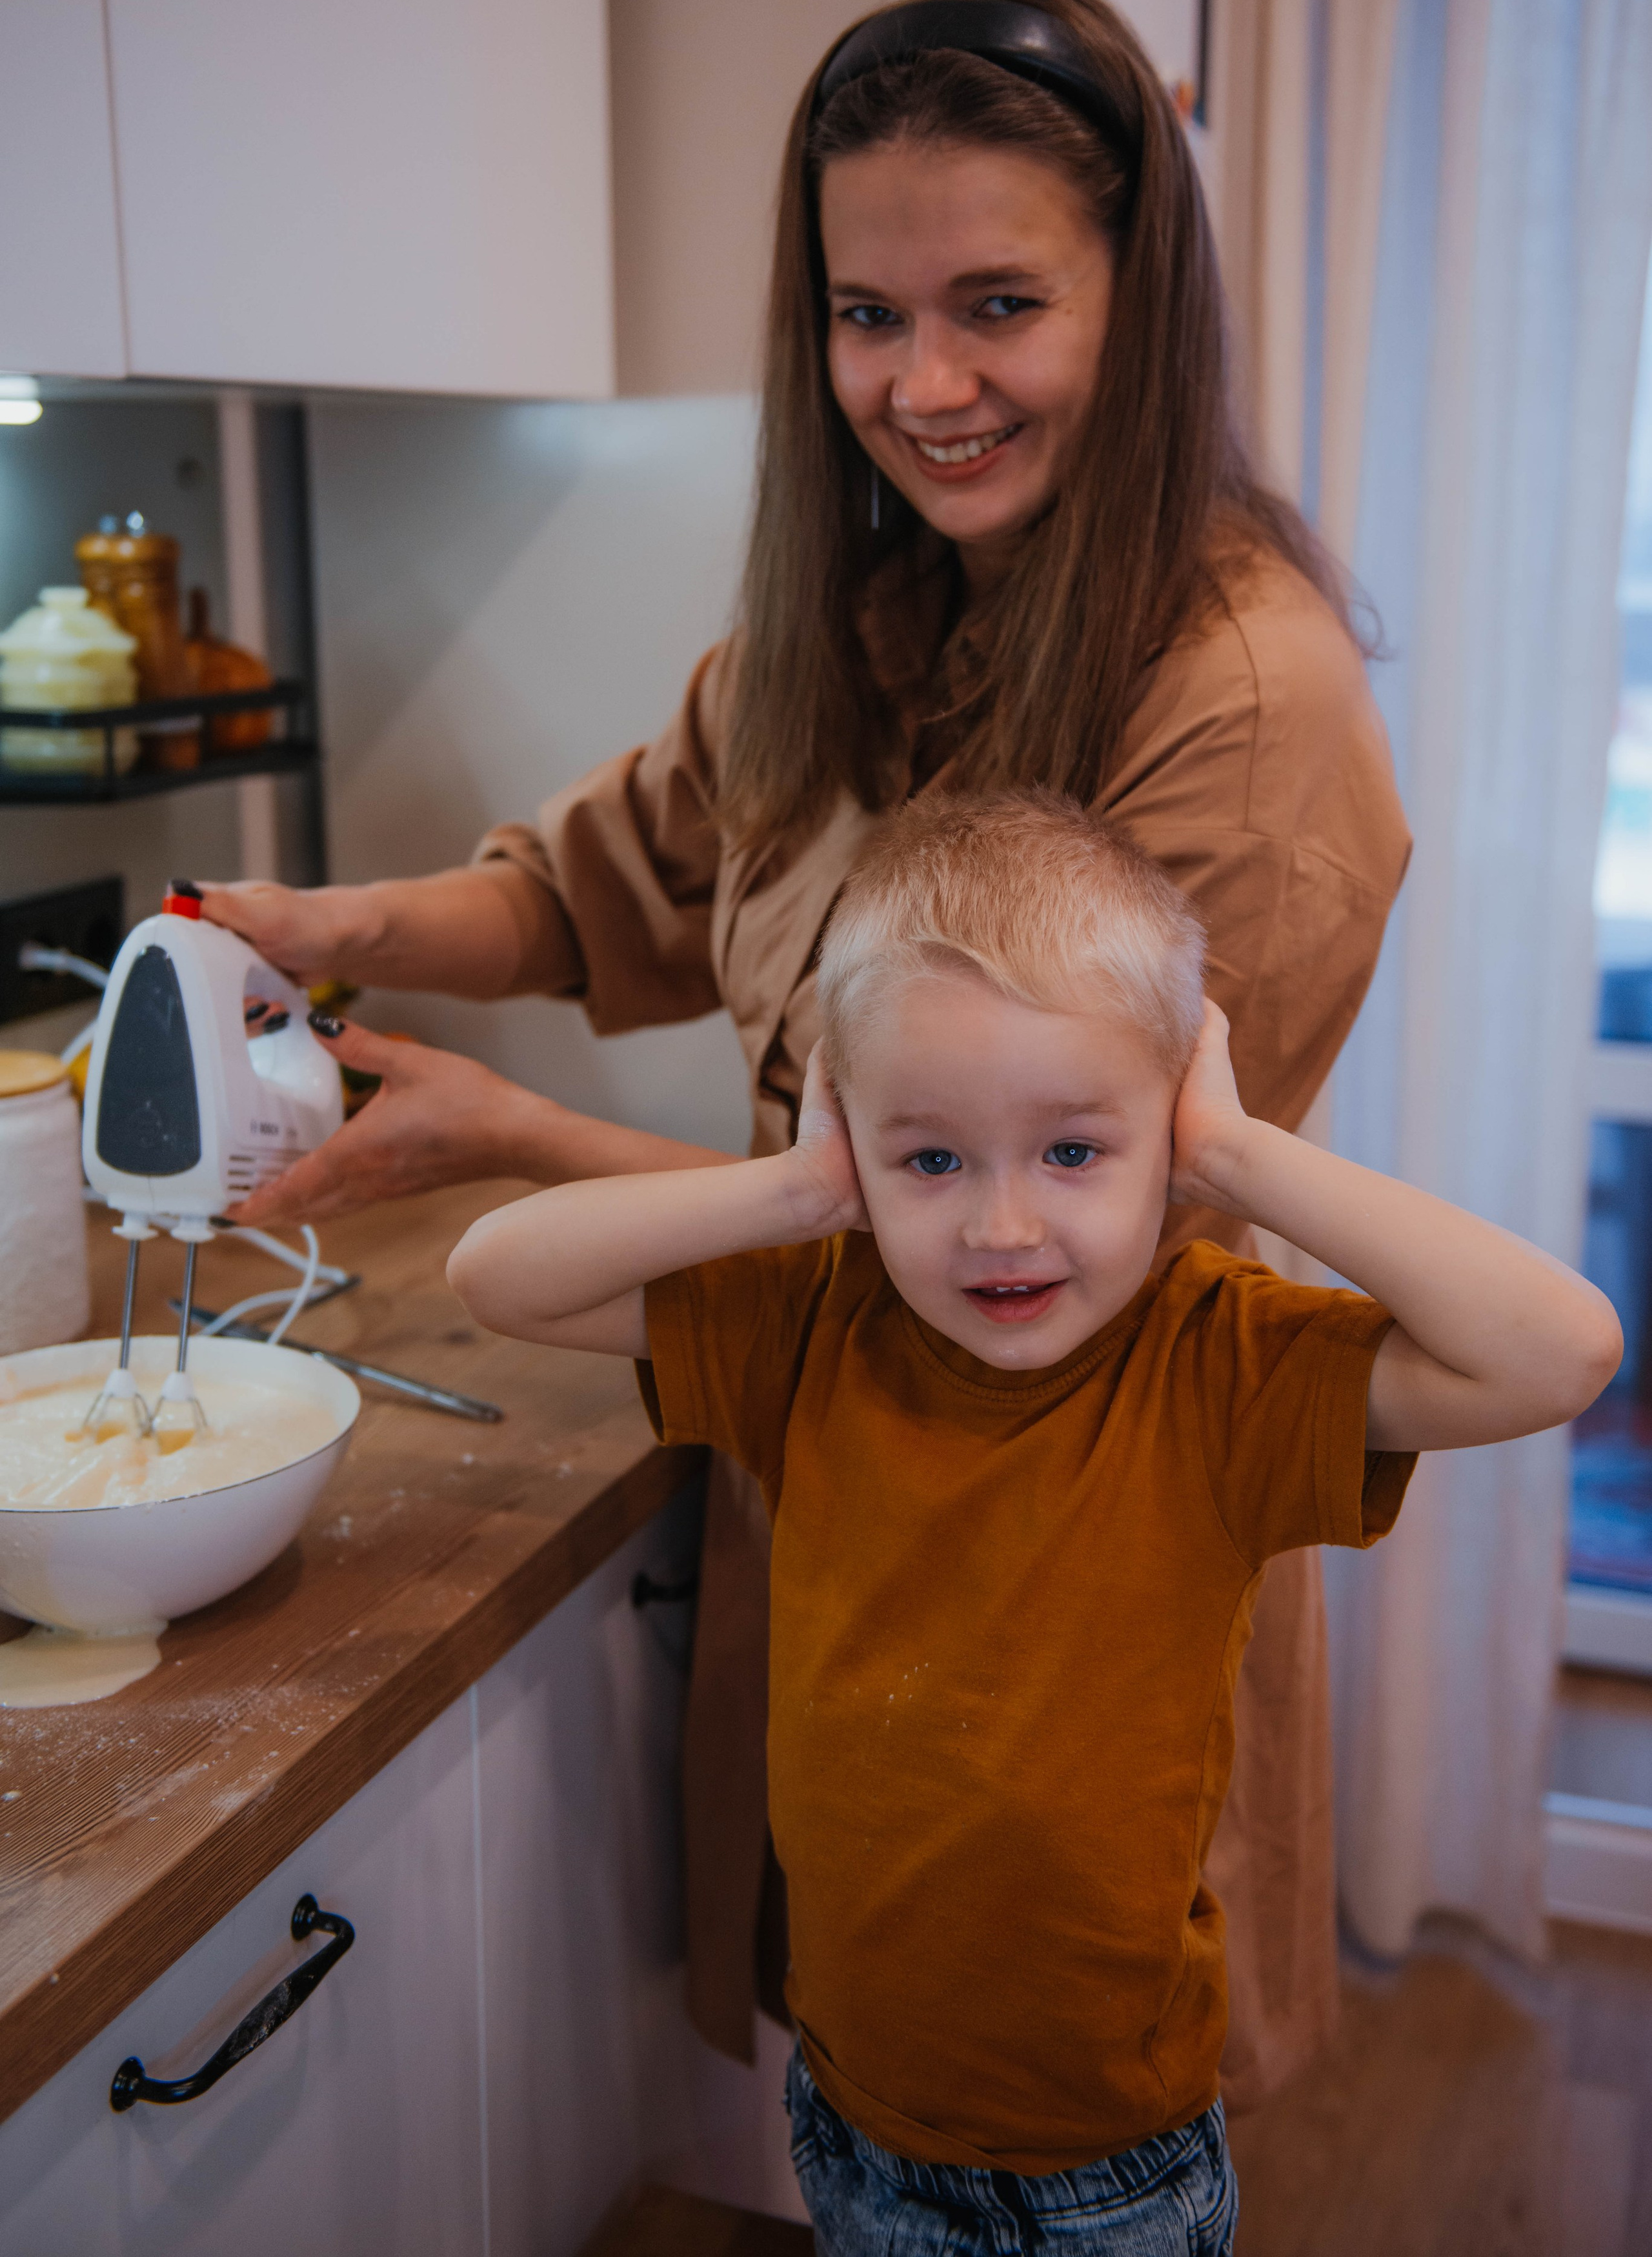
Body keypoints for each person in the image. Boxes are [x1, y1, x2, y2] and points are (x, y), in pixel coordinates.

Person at [202, 0, 1411, 2097]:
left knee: (1083, 2104)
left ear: (1141, 303)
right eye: (866, 313)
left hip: (1076, 1552)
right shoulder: (855, 626)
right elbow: (596, 888)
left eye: (997, 303)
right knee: (873, 2078)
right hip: (850, 1513)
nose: (923, 381)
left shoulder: (1241, 697)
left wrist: (511, 1138)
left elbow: (1015, 1229)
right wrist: (328, 921)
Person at [447, 793, 1620, 2257]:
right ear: (855, 1142)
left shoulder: (1217, 1366)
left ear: (1165, 1138)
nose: (1001, 1228)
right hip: (854, 2117)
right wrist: (805, 1188)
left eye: (1073, 1151)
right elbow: (498, 1274)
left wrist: (1239, 1155)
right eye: (931, 1159)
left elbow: (1557, 1349)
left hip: (1106, 2173)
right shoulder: (812, 1322)